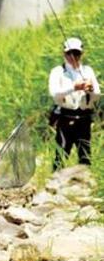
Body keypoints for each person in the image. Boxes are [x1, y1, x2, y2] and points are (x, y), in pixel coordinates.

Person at [49, 37, 99, 167]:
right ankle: (55, 183)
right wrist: (74, 87)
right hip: (65, 117)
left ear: (82, 54)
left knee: (85, 155)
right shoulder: (57, 72)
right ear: (64, 53)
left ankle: (84, 184)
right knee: (61, 155)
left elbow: (97, 95)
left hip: (84, 118)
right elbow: (54, 93)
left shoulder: (88, 71)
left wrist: (90, 90)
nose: (73, 57)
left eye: (76, 53)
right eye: (69, 53)